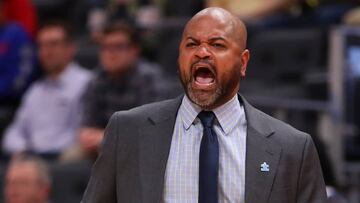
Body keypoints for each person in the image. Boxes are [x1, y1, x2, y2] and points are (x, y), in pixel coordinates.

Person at [82, 7, 327, 203]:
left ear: (243, 62)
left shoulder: (293, 147)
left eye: (217, 45)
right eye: (191, 44)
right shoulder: (126, 131)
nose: (202, 52)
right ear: (179, 57)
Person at [2, 21, 92, 159]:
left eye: (54, 44)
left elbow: (84, 133)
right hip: (32, 159)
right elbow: (13, 133)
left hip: (66, 161)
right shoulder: (35, 91)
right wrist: (23, 150)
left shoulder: (87, 83)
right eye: (41, 46)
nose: (46, 51)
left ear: (71, 48)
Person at [78, 21, 166, 158]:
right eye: (105, 47)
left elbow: (150, 129)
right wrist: (92, 137)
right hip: (103, 150)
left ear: (135, 50)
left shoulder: (149, 77)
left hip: (142, 152)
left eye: (118, 47)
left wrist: (107, 137)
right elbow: (86, 128)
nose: (110, 53)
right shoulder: (96, 79)